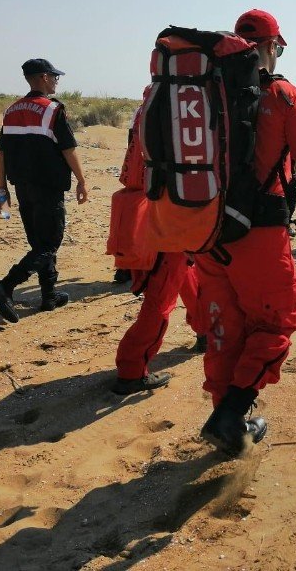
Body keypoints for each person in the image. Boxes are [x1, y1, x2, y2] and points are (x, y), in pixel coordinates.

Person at [196, 9, 296, 458]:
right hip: (259, 229)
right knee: (276, 320)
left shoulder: (202, 90)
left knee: (223, 326)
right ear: (272, 47)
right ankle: (231, 414)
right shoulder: (283, 94)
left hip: (206, 230)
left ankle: (227, 424)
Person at [110, 99, 209, 395]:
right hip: (165, 213)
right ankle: (131, 369)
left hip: (146, 208)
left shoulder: (149, 106)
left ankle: (206, 330)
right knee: (161, 295)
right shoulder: (180, 106)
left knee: (185, 273)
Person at [0, 59, 88, 323]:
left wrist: (1, 189)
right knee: (49, 243)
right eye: (54, 77)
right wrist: (82, 180)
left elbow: (2, 153)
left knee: (39, 244)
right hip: (48, 187)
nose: (56, 81)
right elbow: (68, 150)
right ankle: (5, 287)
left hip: (22, 188)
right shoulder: (53, 110)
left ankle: (49, 295)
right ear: (43, 77)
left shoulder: (12, 109)